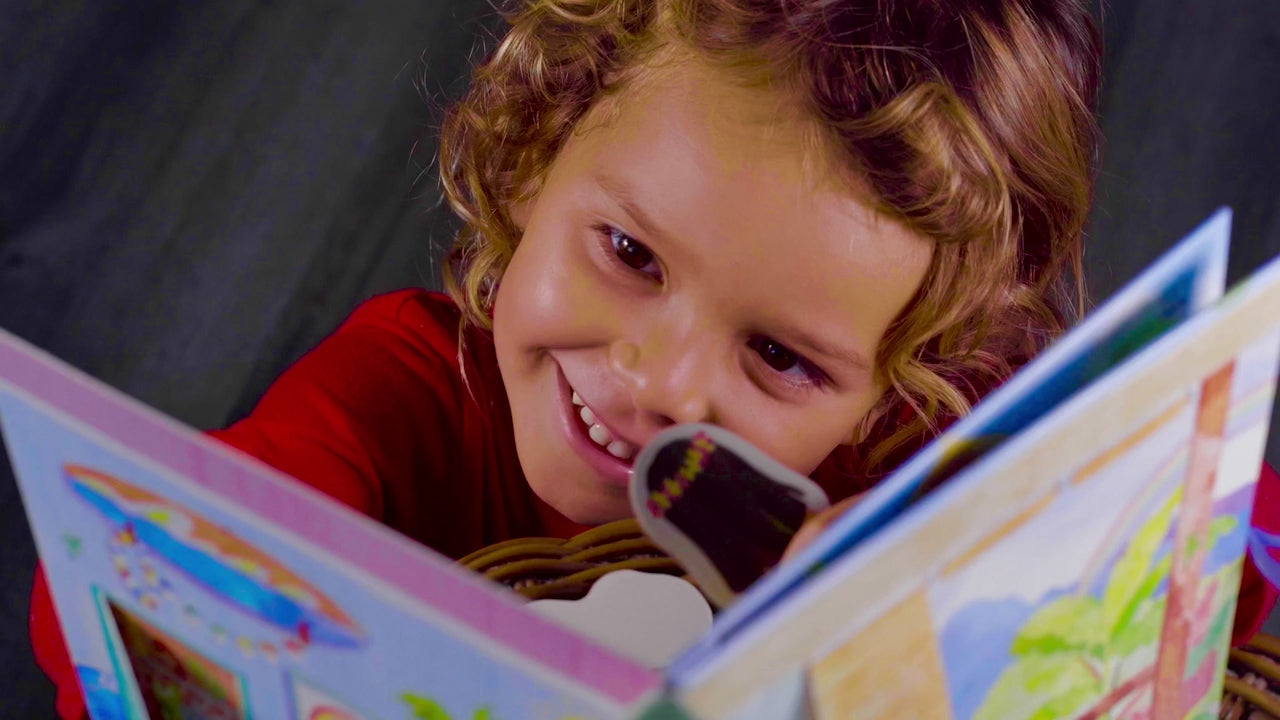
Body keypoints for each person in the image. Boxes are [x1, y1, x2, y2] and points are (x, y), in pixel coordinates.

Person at [29, 0, 1280, 716]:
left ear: (902, 376)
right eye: (629, 252)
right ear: (535, 156)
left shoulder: (907, 446)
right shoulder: (405, 390)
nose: (666, 383)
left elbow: (1234, 520)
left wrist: (981, 575)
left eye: (779, 356)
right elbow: (113, 579)